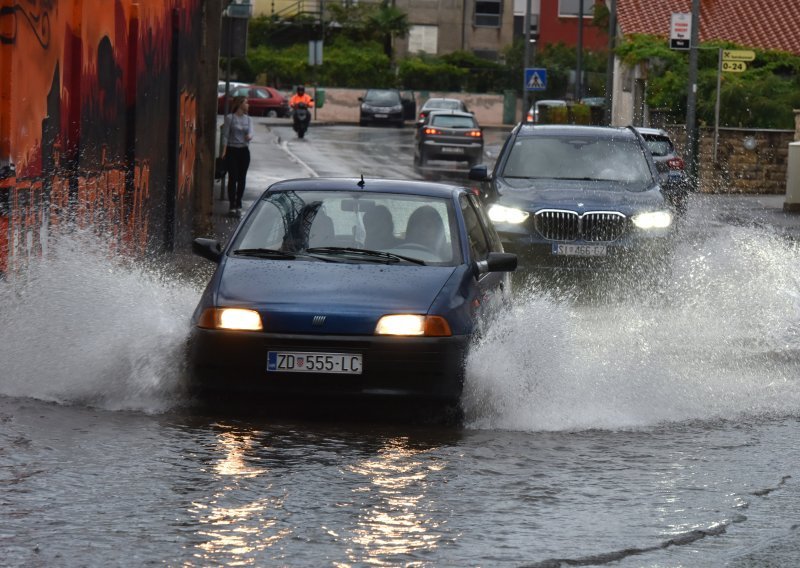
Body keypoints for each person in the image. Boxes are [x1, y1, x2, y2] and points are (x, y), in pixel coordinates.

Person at [221, 95, 254, 215]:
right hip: (232, 150)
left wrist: (249, 136)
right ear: (240, 104)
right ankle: (232, 204)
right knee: (232, 177)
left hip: (244, 151)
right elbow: (225, 135)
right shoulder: (230, 118)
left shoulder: (249, 119)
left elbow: (251, 132)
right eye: (246, 102)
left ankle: (239, 202)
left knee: (242, 178)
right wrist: (223, 151)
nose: (248, 105)